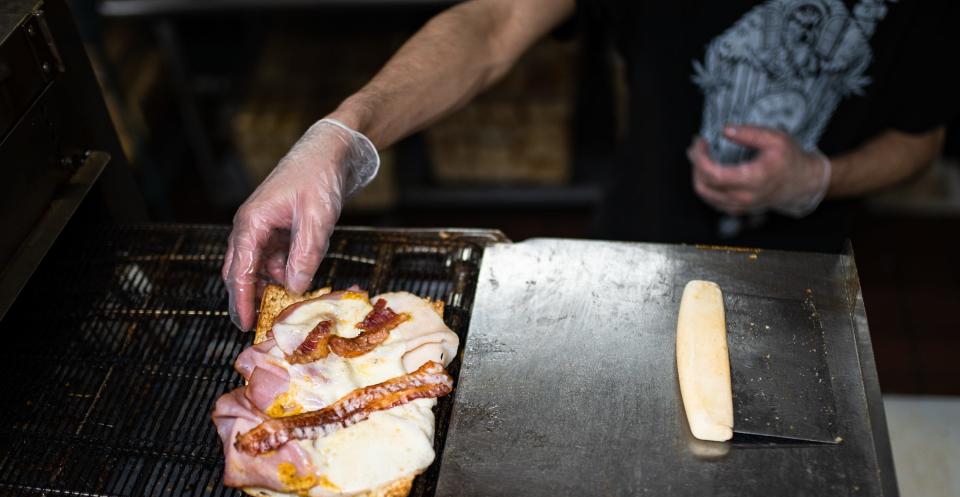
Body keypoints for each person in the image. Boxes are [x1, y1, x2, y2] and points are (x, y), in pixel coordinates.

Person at [223, 0, 958, 330]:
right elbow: (495, 23)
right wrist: (345, 134)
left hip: (804, 278)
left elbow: (922, 138)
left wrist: (818, 179)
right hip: (637, 245)